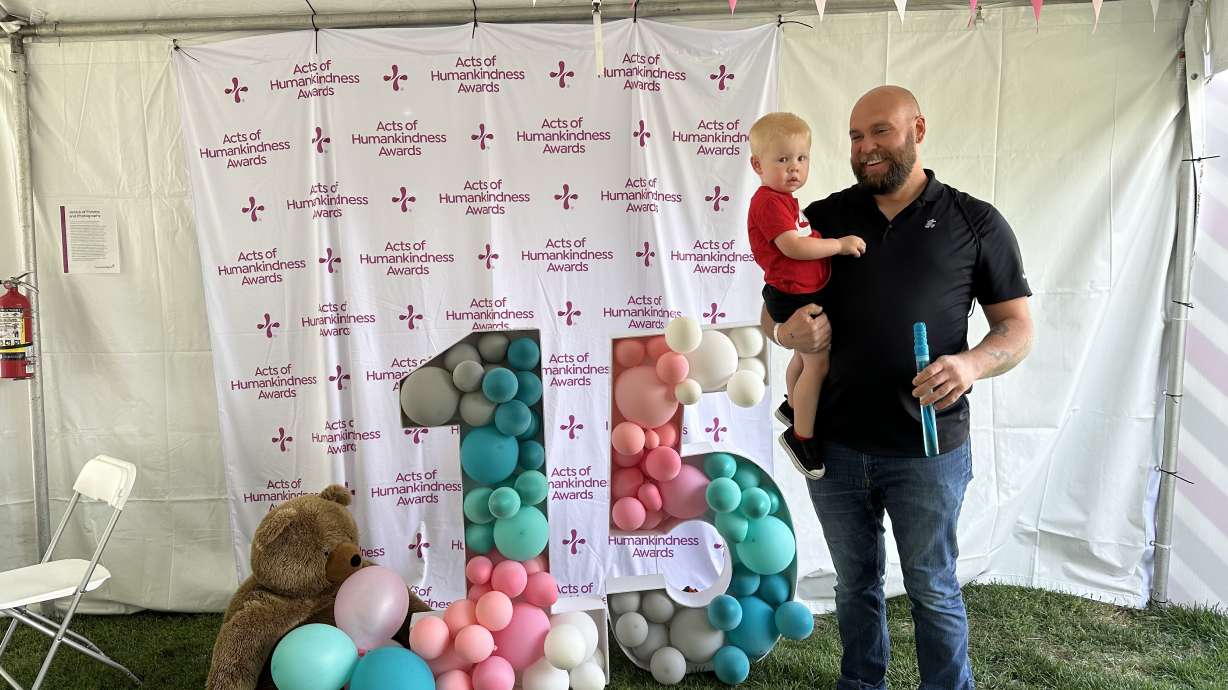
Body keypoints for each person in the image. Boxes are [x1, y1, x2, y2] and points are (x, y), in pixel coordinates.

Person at [761, 85, 1033, 690]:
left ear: (918, 129)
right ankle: (862, 683)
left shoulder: (975, 221)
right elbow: (772, 309)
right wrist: (787, 332)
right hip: (834, 446)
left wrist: (971, 365)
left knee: (932, 585)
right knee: (854, 584)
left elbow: (1016, 327)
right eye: (856, 137)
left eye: (880, 132)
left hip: (929, 451)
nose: (865, 148)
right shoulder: (823, 219)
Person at [746, 112, 866, 479]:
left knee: (803, 357)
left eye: (802, 158)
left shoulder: (784, 200)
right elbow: (794, 247)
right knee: (817, 364)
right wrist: (839, 245)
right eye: (782, 160)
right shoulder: (768, 202)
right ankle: (801, 436)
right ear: (757, 164)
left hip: (800, 292)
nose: (794, 168)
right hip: (793, 296)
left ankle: (793, 407)